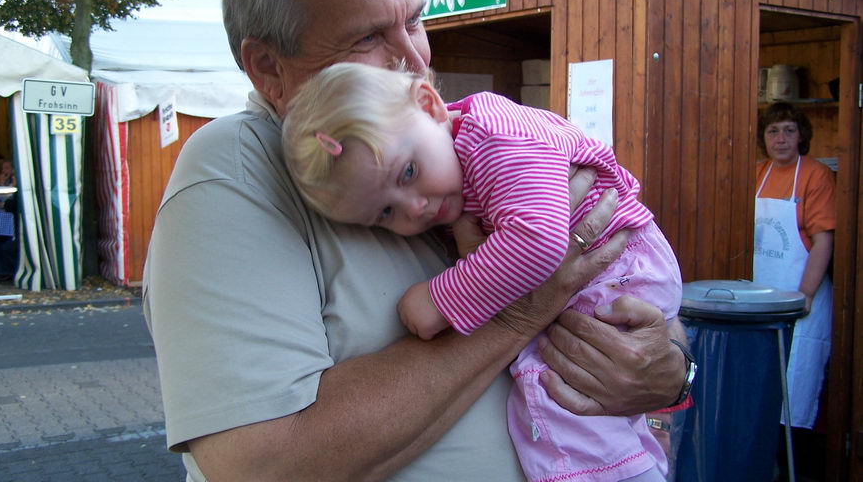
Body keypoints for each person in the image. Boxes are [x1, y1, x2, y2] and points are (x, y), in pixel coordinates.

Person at [142, 0, 690, 481]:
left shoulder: (436, 142)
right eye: (367, 38)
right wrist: (520, 310)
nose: (413, 60)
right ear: (269, 67)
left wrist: (673, 368)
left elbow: (615, 265)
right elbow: (259, 464)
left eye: (413, 21)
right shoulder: (237, 169)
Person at [281, 63, 683, 481]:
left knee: (557, 397)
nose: (414, 208)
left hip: (616, 264)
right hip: (613, 266)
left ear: (430, 105)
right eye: (385, 212)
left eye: (408, 172)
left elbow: (539, 240)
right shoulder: (462, 146)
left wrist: (441, 299)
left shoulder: (495, 139)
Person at [755, 102, 836, 429]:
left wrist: (805, 295)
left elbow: (823, 242)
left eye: (789, 130)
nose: (781, 139)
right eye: (773, 131)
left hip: (802, 295)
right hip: (760, 296)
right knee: (761, 383)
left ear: (802, 136)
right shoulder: (757, 174)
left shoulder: (816, 175)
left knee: (795, 380)